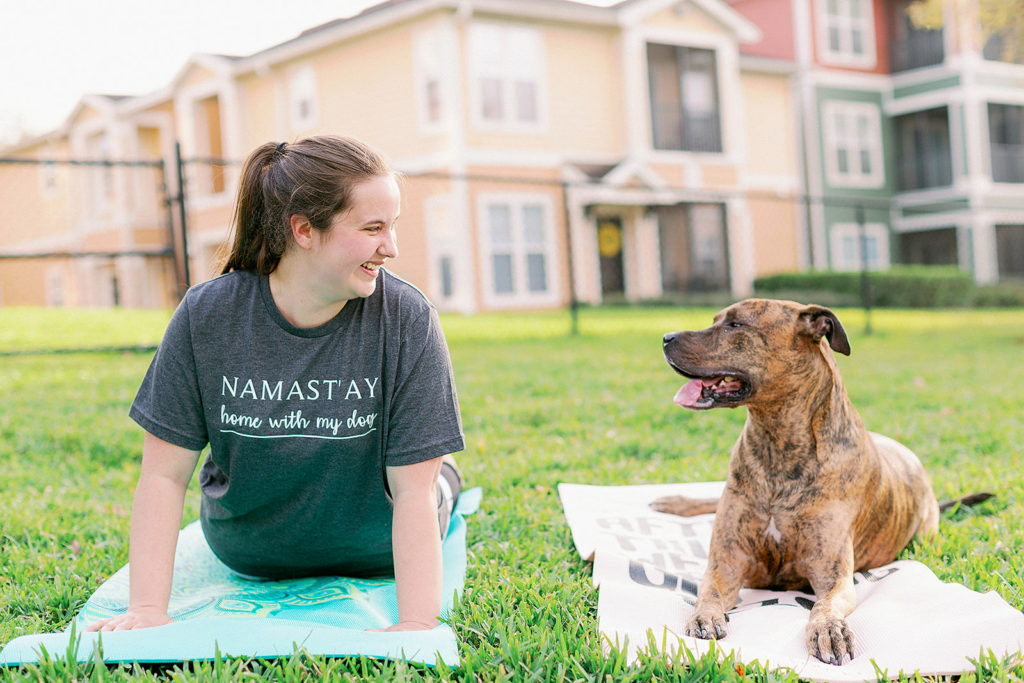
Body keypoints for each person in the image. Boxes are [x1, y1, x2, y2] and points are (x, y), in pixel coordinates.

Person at [87, 135, 465, 633]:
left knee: (434, 477)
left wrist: (416, 623)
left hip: (376, 549)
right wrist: (146, 611)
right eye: (373, 228)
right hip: (250, 552)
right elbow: (162, 476)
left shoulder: (408, 318)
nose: (390, 248)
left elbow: (414, 495)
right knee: (432, 476)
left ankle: (451, 474)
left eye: (391, 227)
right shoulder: (207, 316)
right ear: (304, 230)